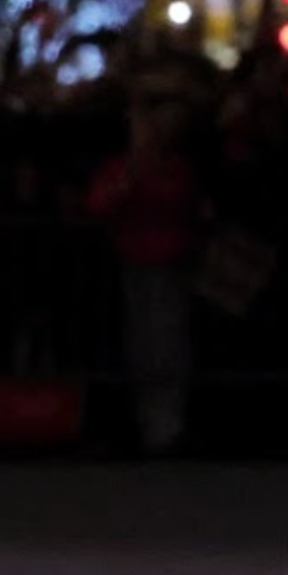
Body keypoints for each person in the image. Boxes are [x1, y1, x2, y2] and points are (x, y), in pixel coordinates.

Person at [87, 95, 202, 456]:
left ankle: (169, 426)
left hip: (169, 266)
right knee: (140, 344)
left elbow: (182, 203)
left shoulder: (175, 169)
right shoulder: (120, 168)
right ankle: (144, 424)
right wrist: (129, 183)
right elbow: (99, 204)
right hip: (132, 265)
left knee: (169, 343)